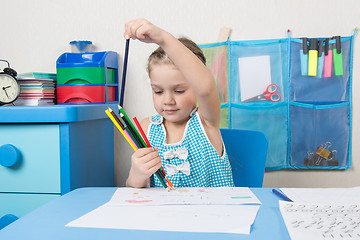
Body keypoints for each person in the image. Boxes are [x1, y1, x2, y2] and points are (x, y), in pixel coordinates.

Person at [124, 19, 234, 188]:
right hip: (164, 214)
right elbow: (136, 192)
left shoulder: (206, 122)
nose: (168, 100)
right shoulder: (146, 128)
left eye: (179, 91)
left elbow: (206, 88)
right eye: (158, 91)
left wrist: (162, 38)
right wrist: (136, 175)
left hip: (212, 213)